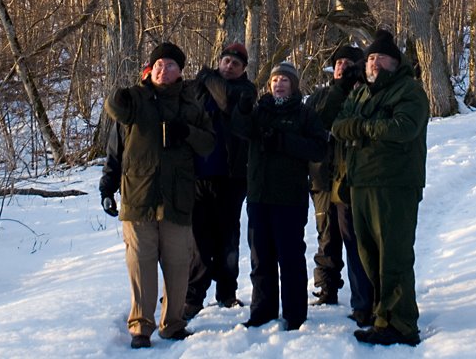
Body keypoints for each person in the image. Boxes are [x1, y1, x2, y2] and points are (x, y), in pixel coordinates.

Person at [100, 41, 215, 349]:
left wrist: (187, 132)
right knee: (141, 263)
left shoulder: (191, 104)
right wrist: (107, 187)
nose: (165, 70)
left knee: (178, 264)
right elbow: (116, 140)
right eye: (160, 65)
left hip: (178, 198)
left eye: (172, 65)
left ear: (181, 72)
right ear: (150, 69)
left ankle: (173, 323)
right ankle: (141, 326)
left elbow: (209, 145)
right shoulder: (134, 101)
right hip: (139, 196)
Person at [332, 29, 429, 348]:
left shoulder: (409, 90)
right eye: (370, 57)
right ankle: (382, 316)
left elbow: (403, 128)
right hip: (360, 183)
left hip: (395, 185)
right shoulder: (360, 93)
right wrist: (367, 128)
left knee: (395, 256)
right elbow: (338, 124)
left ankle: (402, 324)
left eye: (379, 57)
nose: (372, 62)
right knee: (369, 256)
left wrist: (362, 128)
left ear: (394, 61)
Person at [232, 61, 327, 331]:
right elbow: (240, 128)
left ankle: (295, 313)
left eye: (285, 80)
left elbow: (319, 148)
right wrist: (242, 107)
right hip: (259, 197)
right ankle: (262, 311)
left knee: (291, 258)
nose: (279, 84)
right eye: (275, 80)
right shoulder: (260, 110)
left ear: (294, 84)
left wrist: (284, 142)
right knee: (260, 258)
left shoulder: (304, 114)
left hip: (290, 198)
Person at [184, 41, 257, 318]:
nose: (229, 66)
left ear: (243, 69)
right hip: (199, 175)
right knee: (199, 239)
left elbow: (227, 100)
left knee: (228, 237)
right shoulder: (197, 87)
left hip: (232, 176)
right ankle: (193, 295)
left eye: (235, 64)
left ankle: (227, 292)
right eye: (226, 61)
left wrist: (206, 75)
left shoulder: (246, 91)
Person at [307, 44, 374, 325]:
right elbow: (315, 125)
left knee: (354, 240)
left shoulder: (364, 95)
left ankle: (363, 299)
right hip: (322, 177)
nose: (341, 67)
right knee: (326, 236)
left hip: (351, 179)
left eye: (347, 62)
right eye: (337, 63)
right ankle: (327, 287)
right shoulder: (321, 96)